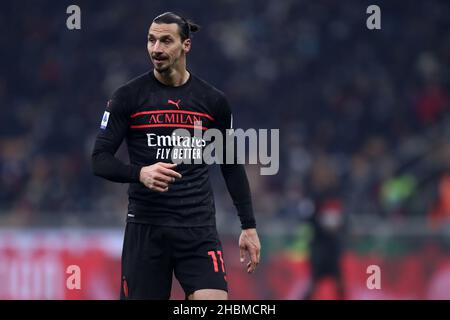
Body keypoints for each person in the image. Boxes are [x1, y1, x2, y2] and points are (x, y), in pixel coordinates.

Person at [91, 12, 261, 300]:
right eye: (151, 40)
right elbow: (100, 159)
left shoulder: (213, 102)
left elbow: (230, 165)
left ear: (186, 46)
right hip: (147, 229)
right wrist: (140, 173)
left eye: (166, 41)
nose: (156, 49)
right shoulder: (127, 96)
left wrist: (249, 226)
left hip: (197, 228)